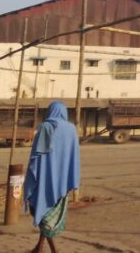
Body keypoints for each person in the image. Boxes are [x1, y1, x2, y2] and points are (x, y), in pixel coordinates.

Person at [24, 101, 80, 253]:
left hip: (44, 180)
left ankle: (53, 250)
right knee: (47, 215)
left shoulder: (46, 127)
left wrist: (32, 177)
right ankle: (39, 247)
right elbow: (74, 157)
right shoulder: (71, 129)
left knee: (42, 214)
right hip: (63, 181)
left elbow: (36, 156)